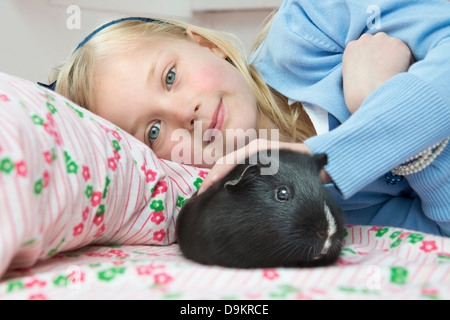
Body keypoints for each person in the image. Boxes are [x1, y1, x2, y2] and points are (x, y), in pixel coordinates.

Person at [44, 0, 450, 236]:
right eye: (153, 130)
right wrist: (379, 107)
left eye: (170, 77)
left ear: (204, 44)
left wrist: (321, 160)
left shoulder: (313, 24)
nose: (184, 113)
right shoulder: (307, 207)